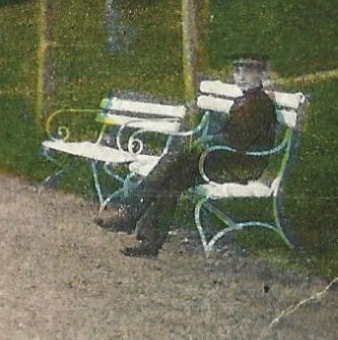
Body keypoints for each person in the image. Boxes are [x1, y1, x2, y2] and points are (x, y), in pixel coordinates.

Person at [96, 54, 278, 257]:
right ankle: (149, 243)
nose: (241, 76)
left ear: (261, 74)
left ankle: (129, 216)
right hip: (224, 159)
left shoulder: (259, 104)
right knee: (173, 179)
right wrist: (207, 143)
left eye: (248, 71)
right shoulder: (247, 100)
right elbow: (229, 138)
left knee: (171, 163)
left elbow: (238, 142)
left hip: (242, 166)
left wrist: (206, 143)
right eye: (237, 71)